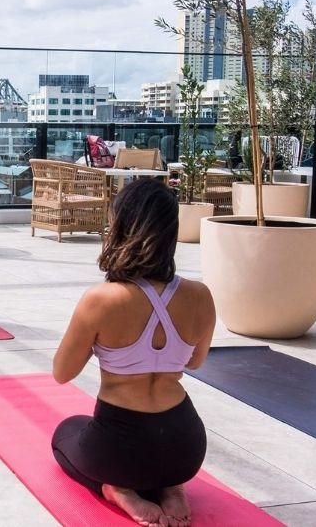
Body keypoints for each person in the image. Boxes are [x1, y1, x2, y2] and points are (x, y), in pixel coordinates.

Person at [51, 179, 215, 527]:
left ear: (121, 226)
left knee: (65, 433)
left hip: (120, 451)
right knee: (156, 459)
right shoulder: (201, 296)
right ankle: (171, 487)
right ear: (171, 232)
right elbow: (194, 361)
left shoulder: (102, 299)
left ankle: (119, 490)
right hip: (185, 448)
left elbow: (62, 373)